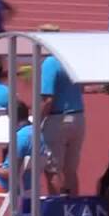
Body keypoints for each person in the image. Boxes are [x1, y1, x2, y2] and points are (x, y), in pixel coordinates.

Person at [38, 50, 85, 195]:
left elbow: (48, 100)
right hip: (78, 117)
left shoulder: (49, 63)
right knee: (70, 171)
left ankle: (56, 210)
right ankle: (74, 210)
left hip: (58, 118)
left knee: (53, 170)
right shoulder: (71, 59)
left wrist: (36, 121)